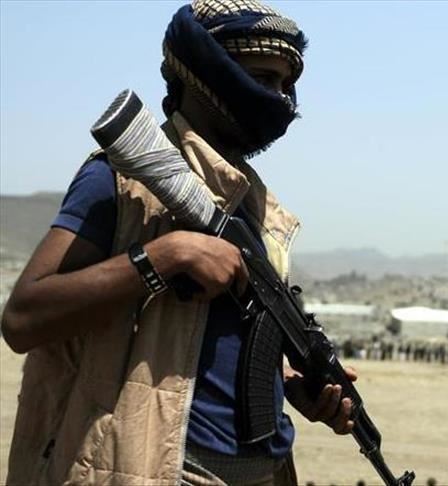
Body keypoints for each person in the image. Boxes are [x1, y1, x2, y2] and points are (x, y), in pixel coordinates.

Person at [1, 1, 356, 484]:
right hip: (158, 467)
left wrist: (291, 385)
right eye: (261, 78)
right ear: (205, 76)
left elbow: (211, 341)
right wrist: (166, 257)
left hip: (264, 472)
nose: (278, 99)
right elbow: (22, 319)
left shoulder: (256, 204)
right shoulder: (120, 182)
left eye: (284, 85)